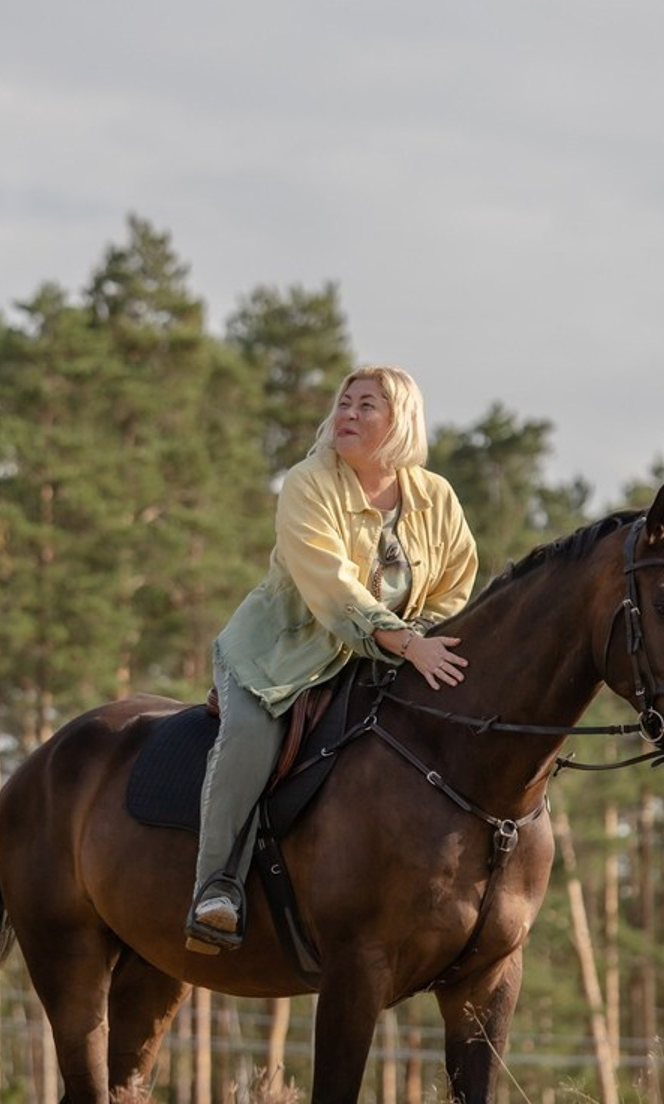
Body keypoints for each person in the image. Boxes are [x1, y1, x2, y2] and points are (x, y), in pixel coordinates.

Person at [186, 364, 479, 951]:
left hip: (381, 655)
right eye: (344, 403)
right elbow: (332, 586)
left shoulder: (437, 497)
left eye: (366, 405)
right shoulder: (307, 483)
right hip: (279, 654)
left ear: (401, 422)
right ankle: (215, 888)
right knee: (250, 733)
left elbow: (456, 581)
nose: (347, 414)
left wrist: (418, 635)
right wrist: (405, 642)